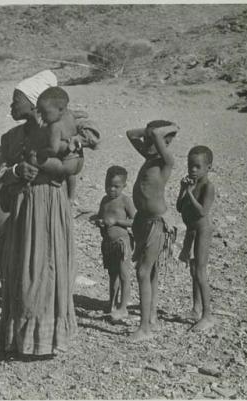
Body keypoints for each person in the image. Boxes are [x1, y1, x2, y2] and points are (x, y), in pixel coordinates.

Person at [0, 70, 77, 359]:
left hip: (50, 206)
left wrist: (46, 165)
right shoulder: (11, 137)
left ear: (33, 104)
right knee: (22, 269)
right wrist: (17, 171)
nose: (11, 107)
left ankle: (44, 341)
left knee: (46, 268)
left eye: (16, 100)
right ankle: (21, 339)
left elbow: (74, 166)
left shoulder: (58, 132)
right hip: (21, 210)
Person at [126, 120, 179, 341]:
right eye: (147, 139)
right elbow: (130, 133)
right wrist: (149, 134)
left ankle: (145, 327)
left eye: (151, 140)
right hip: (144, 221)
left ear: (164, 142)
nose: (146, 143)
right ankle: (152, 315)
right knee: (152, 271)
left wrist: (159, 134)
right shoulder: (149, 157)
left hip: (157, 224)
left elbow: (158, 136)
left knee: (143, 272)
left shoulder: (165, 161)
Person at [176, 146, 216, 331]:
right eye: (190, 165)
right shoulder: (191, 183)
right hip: (191, 231)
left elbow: (202, 211)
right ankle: (196, 308)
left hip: (202, 230)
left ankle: (207, 315)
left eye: (197, 166)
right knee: (193, 270)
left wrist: (190, 192)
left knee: (200, 271)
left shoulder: (208, 186)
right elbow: (179, 207)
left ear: (208, 167)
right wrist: (183, 190)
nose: (193, 170)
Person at [94, 166, 136, 320]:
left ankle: (123, 307)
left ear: (124, 186)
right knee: (113, 275)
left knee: (124, 275)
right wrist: (99, 222)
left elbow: (135, 220)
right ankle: (112, 303)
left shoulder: (125, 200)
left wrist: (117, 221)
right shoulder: (104, 200)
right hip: (108, 244)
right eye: (108, 185)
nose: (111, 189)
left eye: (116, 187)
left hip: (122, 243)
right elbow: (100, 215)